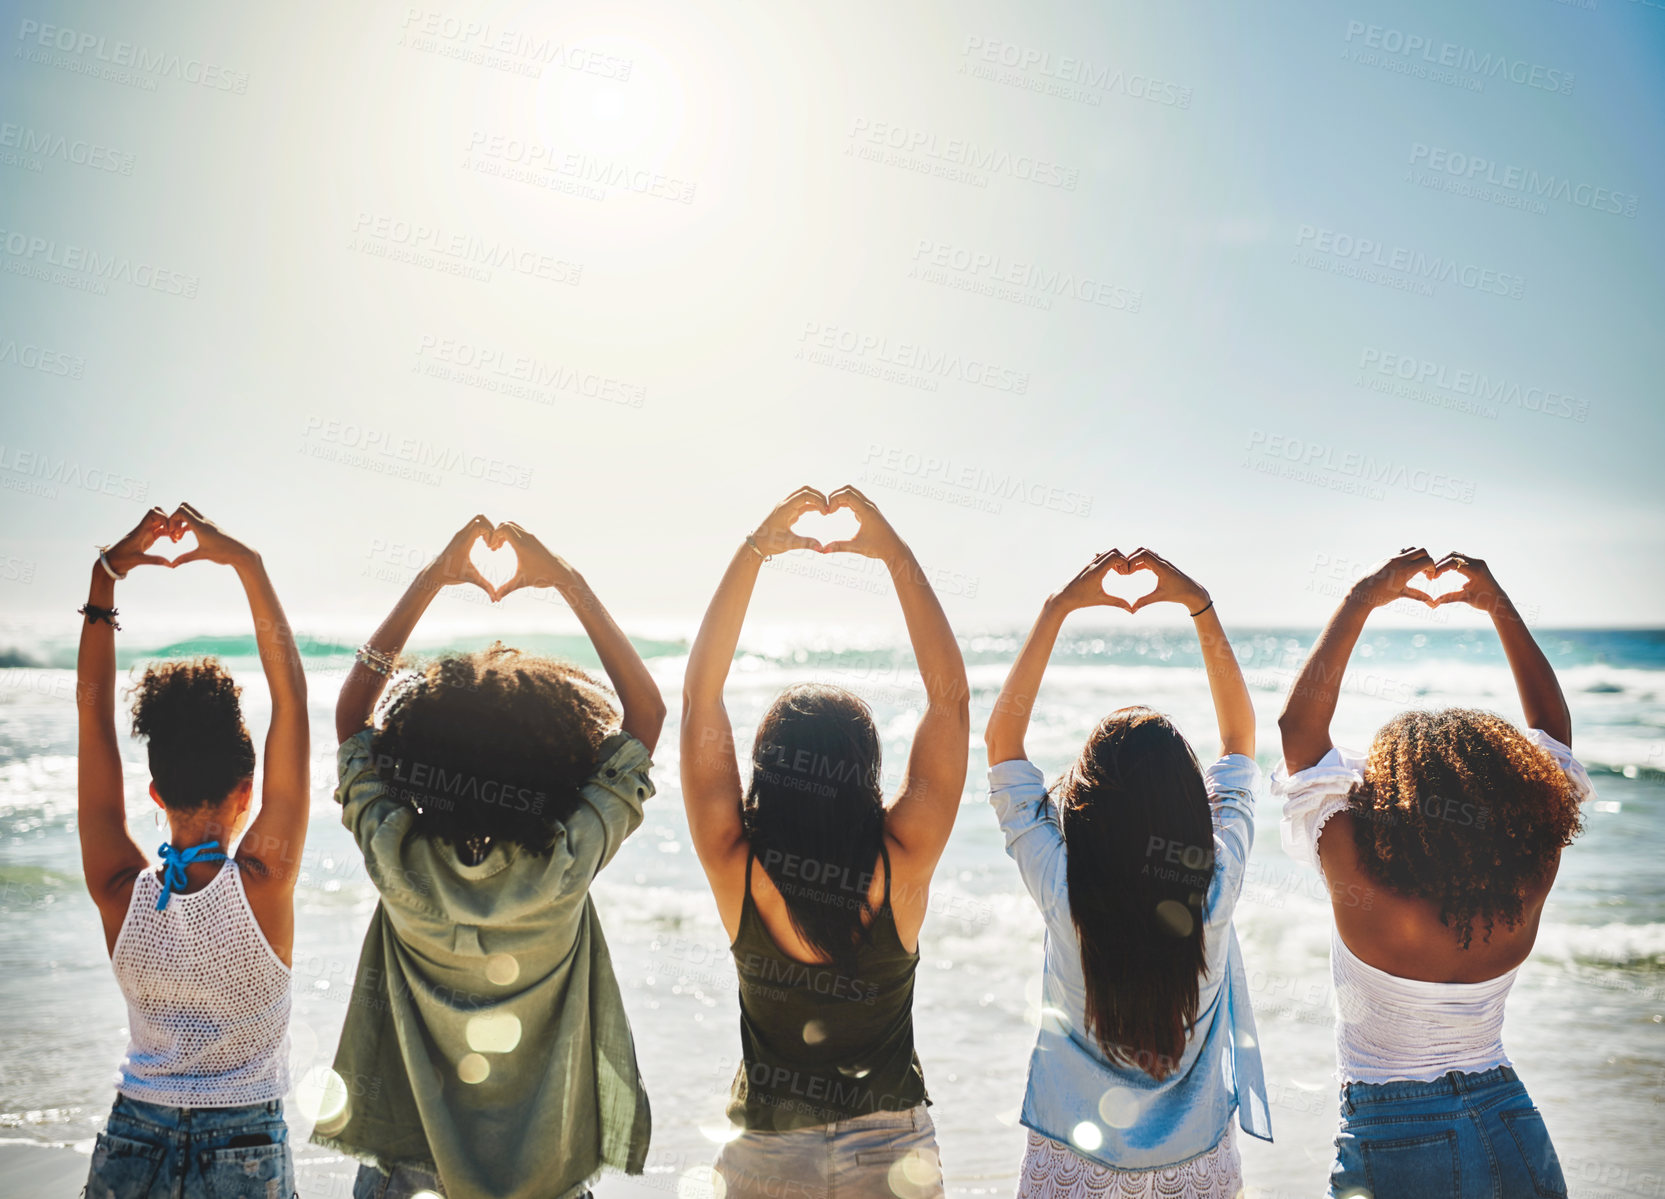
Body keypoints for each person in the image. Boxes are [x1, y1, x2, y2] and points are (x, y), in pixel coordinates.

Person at [313, 516, 666, 1199]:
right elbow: (644, 716)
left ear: (416, 757)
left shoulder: (397, 854)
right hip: (545, 1175)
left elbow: (352, 716)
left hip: (408, 1173)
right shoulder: (565, 862)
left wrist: (431, 580)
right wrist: (567, 580)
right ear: (558, 760)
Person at [680, 485, 970, 1199]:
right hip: (893, 1154)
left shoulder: (734, 864)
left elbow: (699, 698)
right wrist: (893, 556)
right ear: (863, 769)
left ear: (768, 770)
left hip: (767, 1154)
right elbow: (950, 702)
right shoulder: (902, 858)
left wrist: (754, 551)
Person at [1273, 548, 1591, 1198]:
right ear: (1512, 793)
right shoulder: (1530, 867)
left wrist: (1363, 595)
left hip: (1395, 1130)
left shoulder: (1357, 867)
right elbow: (1551, 735)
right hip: (1511, 1117)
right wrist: (1494, 601)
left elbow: (1296, 727)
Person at [984, 548, 1272, 1197]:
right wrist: (1198, 603)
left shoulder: (1065, 890)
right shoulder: (1215, 881)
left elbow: (1001, 745)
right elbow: (1238, 742)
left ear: (1085, 809)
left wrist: (1057, 608)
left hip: (1072, 1165)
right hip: (1195, 1164)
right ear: (1186, 804)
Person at [78, 504, 309, 1199]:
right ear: (248, 790)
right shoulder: (263, 883)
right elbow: (291, 700)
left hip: (131, 1142)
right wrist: (248, 564)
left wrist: (105, 578)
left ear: (153, 791)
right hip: (243, 1147)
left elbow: (92, 715)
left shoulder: (121, 887)